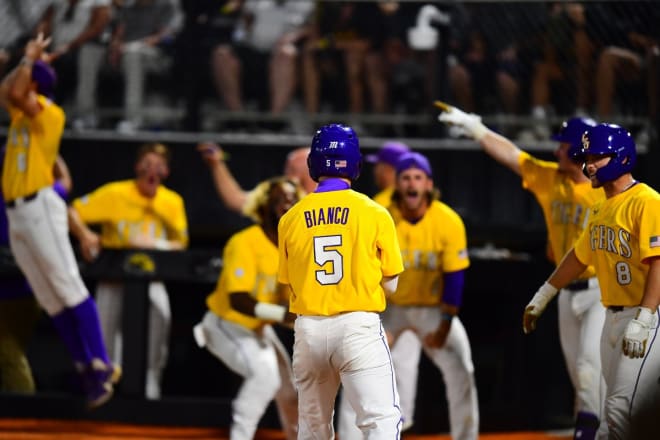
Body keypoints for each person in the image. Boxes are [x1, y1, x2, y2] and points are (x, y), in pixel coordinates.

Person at [438, 103, 607, 439]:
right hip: (564, 291)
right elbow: (512, 156)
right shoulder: (551, 178)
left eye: (563, 144)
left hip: (601, 292)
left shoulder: (606, 188)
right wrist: (477, 129)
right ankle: (595, 430)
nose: (557, 148)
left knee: (591, 370)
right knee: (579, 374)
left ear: (578, 150)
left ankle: (591, 433)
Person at [0, 33, 119, 409]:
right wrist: (25, 59)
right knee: (51, 298)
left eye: (28, 75)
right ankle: (85, 368)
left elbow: (17, 93)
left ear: (36, 85)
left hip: (40, 206)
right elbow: (7, 92)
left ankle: (102, 362)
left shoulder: (49, 112)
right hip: (17, 212)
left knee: (68, 287)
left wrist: (30, 60)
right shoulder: (22, 113)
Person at [522, 123, 660, 439]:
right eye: (588, 157)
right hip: (612, 316)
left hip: (642, 317)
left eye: (598, 156)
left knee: (619, 410)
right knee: (607, 416)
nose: (590, 164)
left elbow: (658, 263)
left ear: (622, 157)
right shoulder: (600, 206)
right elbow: (578, 256)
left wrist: (646, 316)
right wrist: (545, 293)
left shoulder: (647, 201)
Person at [340, 152, 480, 440]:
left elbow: (454, 278)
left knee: (461, 369)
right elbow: (359, 267)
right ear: (397, 185)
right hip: (387, 307)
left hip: (431, 310)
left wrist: (444, 325)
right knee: (355, 367)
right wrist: (370, 320)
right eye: (405, 178)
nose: (411, 183)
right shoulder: (378, 212)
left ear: (428, 184)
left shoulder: (447, 220)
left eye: (418, 177)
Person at [277, 123, 404, 438]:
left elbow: (289, 283)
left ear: (314, 164)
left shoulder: (290, 218)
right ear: (355, 162)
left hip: (308, 330)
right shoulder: (375, 212)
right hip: (357, 327)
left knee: (312, 428)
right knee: (380, 421)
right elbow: (392, 284)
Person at [68, 142, 188, 400]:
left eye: (158, 166)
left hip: (152, 277)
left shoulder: (172, 201)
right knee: (103, 335)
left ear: (166, 171)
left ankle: (151, 389)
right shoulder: (116, 193)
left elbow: (182, 242)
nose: (151, 171)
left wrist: (156, 244)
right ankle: (104, 390)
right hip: (113, 275)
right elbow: (72, 211)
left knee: (160, 321)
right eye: (147, 164)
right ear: (137, 167)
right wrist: (86, 235)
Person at [192, 176, 302, 440]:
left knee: (289, 390)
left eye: (292, 199)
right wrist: (282, 315)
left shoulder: (293, 247)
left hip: (258, 329)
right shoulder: (244, 241)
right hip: (225, 323)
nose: (287, 203)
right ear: (264, 206)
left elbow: (289, 303)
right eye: (280, 199)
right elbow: (237, 300)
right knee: (265, 377)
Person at [0, 154, 72, 394]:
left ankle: (23, 410)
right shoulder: (34, 194)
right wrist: (48, 152)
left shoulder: (32, 195)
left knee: (9, 352)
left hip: (18, 290)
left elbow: (64, 184)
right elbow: (65, 181)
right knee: (10, 353)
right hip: (27, 290)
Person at [197, 142, 315, 214]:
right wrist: (217, 165)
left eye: (293, 169)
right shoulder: (277, 193)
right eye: (288, 169)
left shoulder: (331, 195)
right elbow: (236, 200)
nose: (288, 175)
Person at [365, 140, 410, 206]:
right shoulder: (418, 200)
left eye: (377, 165)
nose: (375, 171)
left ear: (388, 169)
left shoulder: (382, 202)